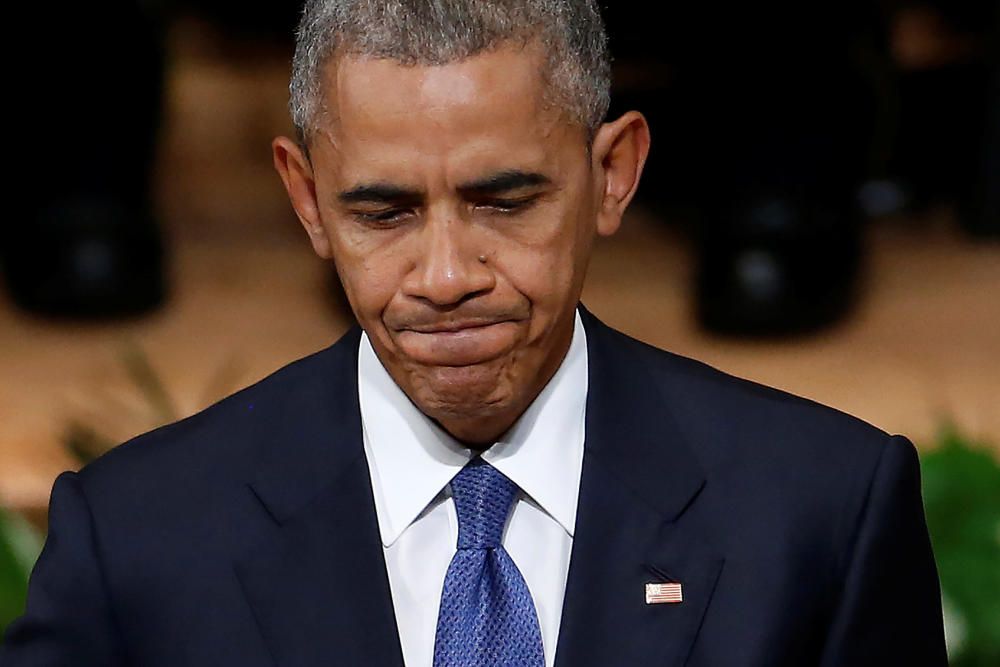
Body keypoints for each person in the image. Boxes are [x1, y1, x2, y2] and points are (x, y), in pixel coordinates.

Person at [1, 1, 947, 665]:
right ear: (305, 199)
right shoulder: (135, 543)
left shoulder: (824, 517)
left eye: (503, 201)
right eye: (384, 213)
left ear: (613, 172)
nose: (447, 277)